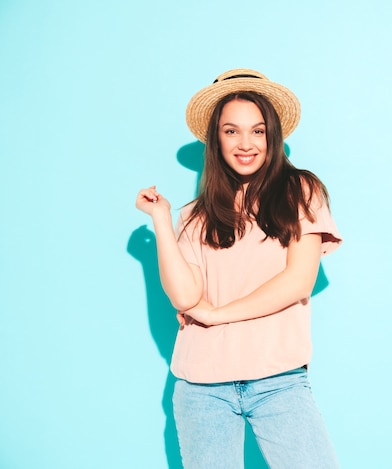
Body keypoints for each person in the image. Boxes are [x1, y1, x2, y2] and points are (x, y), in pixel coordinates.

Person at [135, 69, 342, 469]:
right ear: (216, 139)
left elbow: (299, 280)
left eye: (258, 131)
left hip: (278, 379)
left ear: (272, 136)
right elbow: (183, 297)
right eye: (231, 131)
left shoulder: (301, 191)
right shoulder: (194, 216)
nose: (245, 144)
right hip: (200, 386)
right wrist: (161, 219)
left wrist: (216, 314)